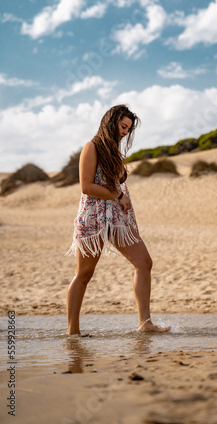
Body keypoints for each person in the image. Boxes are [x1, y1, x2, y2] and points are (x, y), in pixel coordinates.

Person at [66, 104, 170, 335]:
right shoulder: (91, 147)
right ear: (111, 122)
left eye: (128, 129)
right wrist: (118, 195)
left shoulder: (113, 151)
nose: (125, 132)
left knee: (144, 263)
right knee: (84, 274)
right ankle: (73, 332)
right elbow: (86, 187)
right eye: (123, 126)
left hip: (117, 217)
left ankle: (146, 324)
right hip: (93, 218)